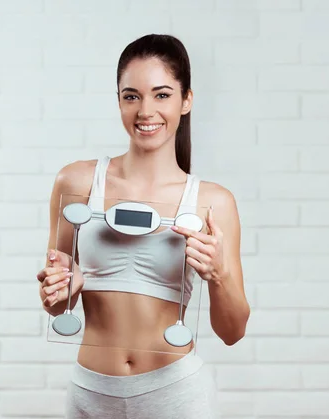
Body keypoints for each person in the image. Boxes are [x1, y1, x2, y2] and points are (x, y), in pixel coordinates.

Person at [36, 34, 250, 419]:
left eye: (162, 95)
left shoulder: (213, 202)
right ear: (118, 100)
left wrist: (218, 276)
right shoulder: (76, 183)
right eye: (131, 96)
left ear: (187, 100)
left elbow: (233, 332)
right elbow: (56, 305)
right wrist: (60, 291)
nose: (146, 110)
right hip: (91, 392)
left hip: (175, 394)